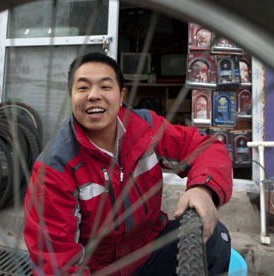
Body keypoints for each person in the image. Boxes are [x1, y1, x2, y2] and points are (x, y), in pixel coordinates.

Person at [24, 52, 232, 276]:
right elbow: (56, 263)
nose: (93, 95)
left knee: (215, 238)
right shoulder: (54, 169)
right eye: (82, 88)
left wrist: (203, 189)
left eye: (105, 87)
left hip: (147, 249)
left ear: (121, 95)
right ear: (71, 97)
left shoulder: (146, 128)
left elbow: (206, 147)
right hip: (96, 268)